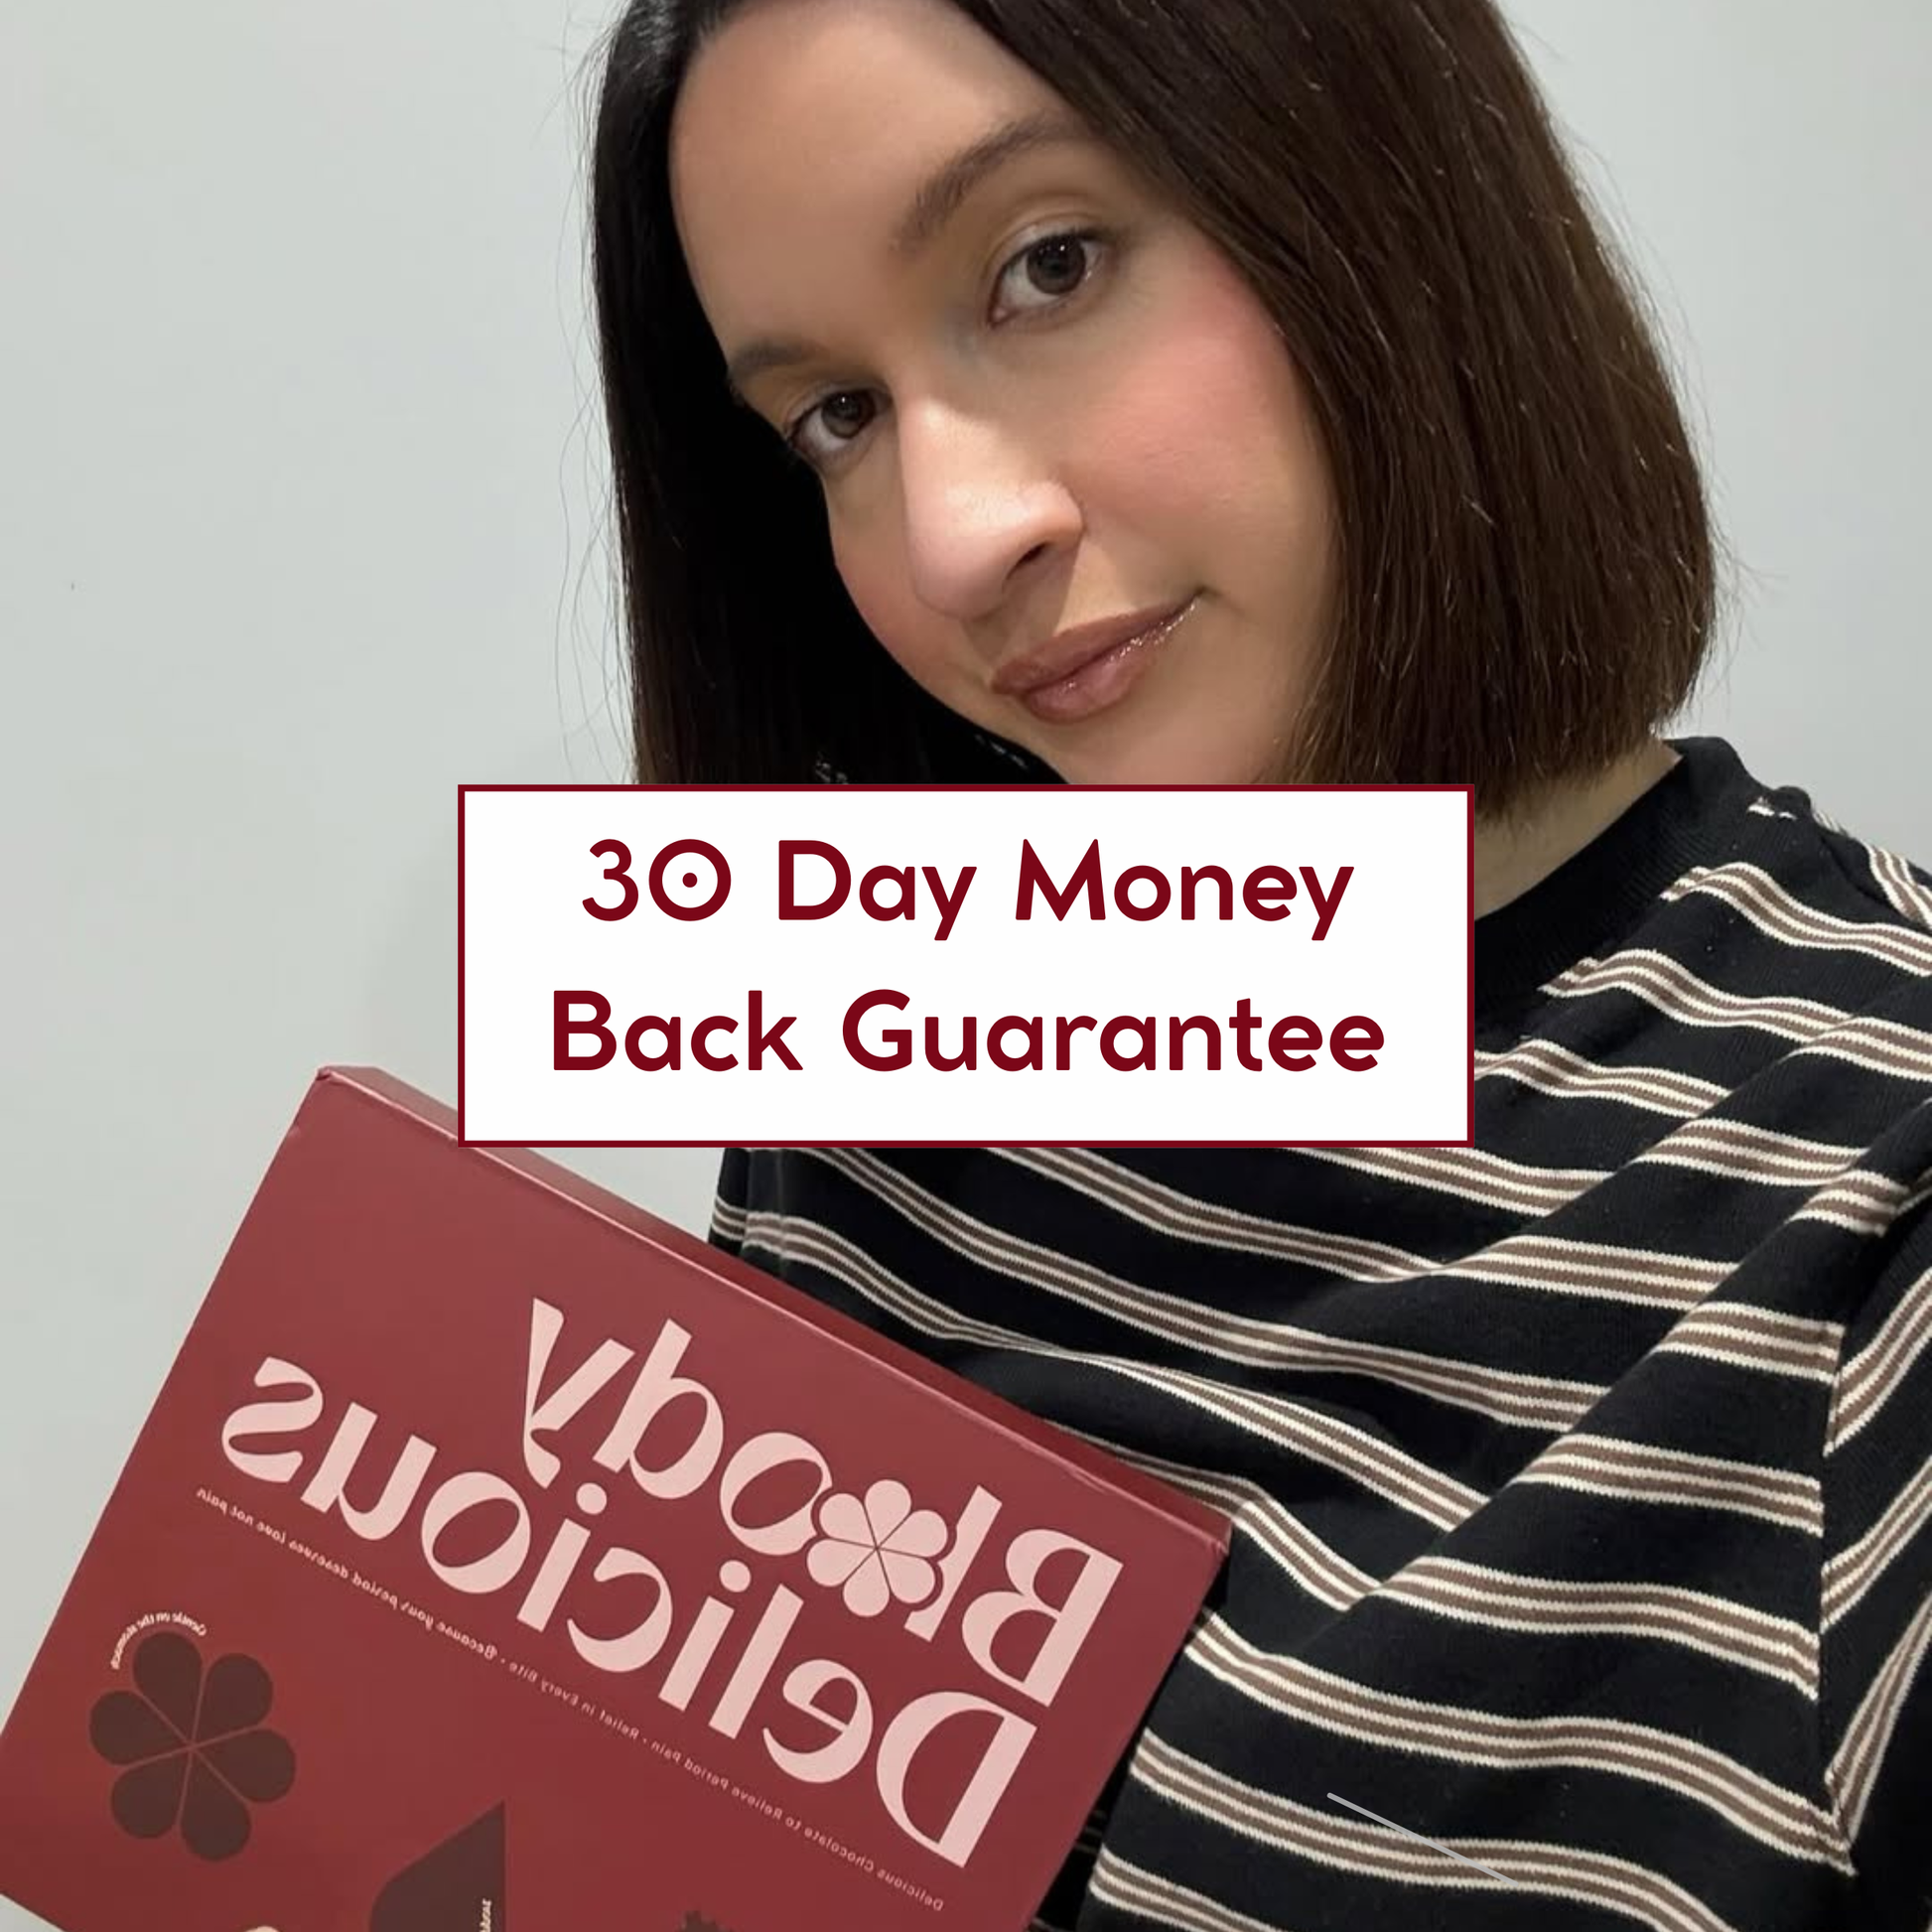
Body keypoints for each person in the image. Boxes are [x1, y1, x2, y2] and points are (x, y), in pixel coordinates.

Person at [586, 0, 1932, 1925]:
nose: (952, 541)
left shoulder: (1872, 1200)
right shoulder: (878, 1030)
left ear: (1383, 187)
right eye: (837, 416)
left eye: (1048, 266)